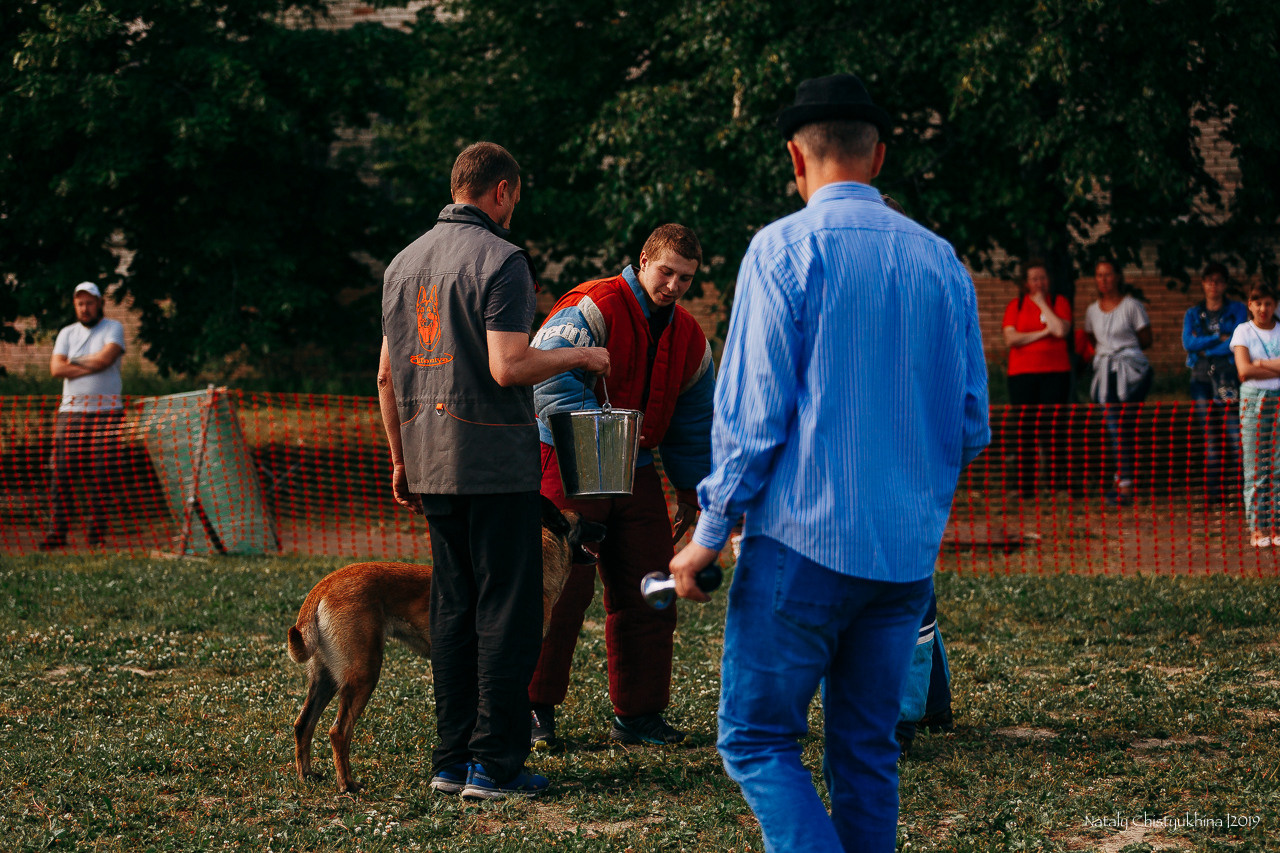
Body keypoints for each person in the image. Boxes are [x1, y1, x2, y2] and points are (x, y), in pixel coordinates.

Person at [669, 73, 990, 853]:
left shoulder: (781, 249)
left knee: (756, 739)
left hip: (799, 549)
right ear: (879, 156)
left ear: (795, 156)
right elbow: (973, 421)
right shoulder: (942, 261)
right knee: (867, 752)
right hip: (904, 559)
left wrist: (707, 535)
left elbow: (749, 419)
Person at [377, 141, 610, 799]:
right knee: (507, 613)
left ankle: (450, 760)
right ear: (502, 191)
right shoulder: (502, 260)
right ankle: (496, 765)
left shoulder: (403, 263)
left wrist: (399, 456)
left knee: (453, 607)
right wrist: (581, 357)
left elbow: (388, 374)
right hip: (494, 466)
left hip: (428, 461)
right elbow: (508, 366)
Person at [526, 224, 714, 750]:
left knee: (653, 586)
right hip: (567, 459)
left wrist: (691, 491)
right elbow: (544, 374)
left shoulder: (692, 338)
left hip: (637, 468)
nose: (675, 286)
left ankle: (639, 715)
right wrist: (597, 435)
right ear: (643, 261)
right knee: (559, 589)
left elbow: (695, 423)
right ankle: (532, 708)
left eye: (686, 278)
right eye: (667, 272)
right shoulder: (592, 305)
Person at [41, 281, 126, 550]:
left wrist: (72, 364)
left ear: (99, 303)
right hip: (71, 413)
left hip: (107, 413)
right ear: (75, 306)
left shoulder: (114, 328)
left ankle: (95, 534)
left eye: (89, 302)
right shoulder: (66, 333)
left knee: (102, 473)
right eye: (80, 303)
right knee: (62, 472)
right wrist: (89, 362)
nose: (85, 308)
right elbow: (55, 369)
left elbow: (106, 360)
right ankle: (57, 533)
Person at [1084, 259, 1153, 506]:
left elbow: (1146, 338)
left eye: (1108, 274)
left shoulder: (1132, 306)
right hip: (1106, 374)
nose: (1103, 280)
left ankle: (1125, 482)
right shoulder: (1092, 310)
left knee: (1124, 426)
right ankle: (1123, 480)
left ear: (1118, 276)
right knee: (1114, 427)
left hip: (1131, 373)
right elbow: (1093, 339)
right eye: (1099, 275)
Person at [1001, 261, 1073, 494]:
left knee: (1052, 427)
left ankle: (1055, 483)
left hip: (1054, 373)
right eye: (1034, 279)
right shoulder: (1016, 305)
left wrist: (1043, 304)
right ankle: (1025, 485)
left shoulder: (1059, 302)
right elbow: (1012, 339)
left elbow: (1061, 330)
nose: (1039, 283)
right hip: (1022, 374)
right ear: (1026, 284)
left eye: (1043, 278)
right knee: (1025, 427)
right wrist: (1044, 332)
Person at [1183, 262, 1246, 502]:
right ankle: (1214, 496)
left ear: (1225, 284)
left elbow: (1237, 341)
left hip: (1228, 377)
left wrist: (1207, 346)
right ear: (1202, 283)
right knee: (1210, 436)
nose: (1213, 285)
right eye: (1209, 280)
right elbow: (1189, 343)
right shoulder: (1193, 313)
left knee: (1235, 435)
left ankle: (1243, 494)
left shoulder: (1237, 310)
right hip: (1200, 379)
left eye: (1219, 280)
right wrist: (1216, 338)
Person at [1230, 283, 1280, 548]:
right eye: (1258, 303)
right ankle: (1258, 529)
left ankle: (1277, 526)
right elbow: (1244, 370)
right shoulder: (1242, 331)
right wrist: (1269, 367)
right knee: (1256, 466)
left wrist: (1259, 363)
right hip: (1253, 401)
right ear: (1250, 305)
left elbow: (1252, 365)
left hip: (1279, 398)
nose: (1263, 309)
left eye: (1269, 303)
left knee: (1278, 466)